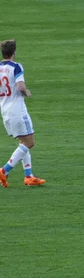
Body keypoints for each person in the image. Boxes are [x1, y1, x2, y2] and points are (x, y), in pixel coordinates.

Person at [0, 40, 45, 188]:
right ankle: (4, 170)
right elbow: (20, 87)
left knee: (23, 142)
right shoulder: (16, 67)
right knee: (29, 142)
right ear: (14, 52)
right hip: (17, 110)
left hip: (5, 110)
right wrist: (27, 92)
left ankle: (28, 176)